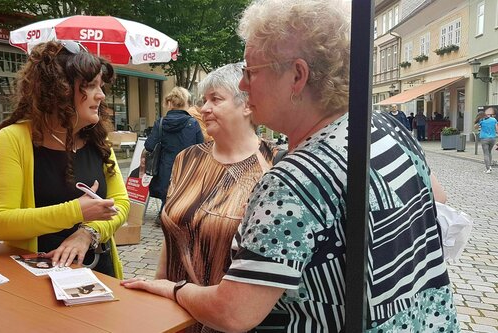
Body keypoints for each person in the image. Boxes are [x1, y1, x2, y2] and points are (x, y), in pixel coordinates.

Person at [122, 1, 458, 332]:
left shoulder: (295, 180)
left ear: (297, 75)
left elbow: (234, 312)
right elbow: (436, 199)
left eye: (251, 72)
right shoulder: (384, 127)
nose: (242, 85)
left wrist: (174, 289)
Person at [0, 40, 129, 279]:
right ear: (60, 89)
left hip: (99, 272)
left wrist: (87, 232)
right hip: (36, 277)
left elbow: (121, 204)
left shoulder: (97, 140)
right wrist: (75, 211)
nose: (101, 95)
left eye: (101, 86)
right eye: (91, 86)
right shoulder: (14, 139)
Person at [156, 63, 278, 333]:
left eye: (215, 99)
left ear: (246, 105)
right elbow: (172, 231)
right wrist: (159, 288)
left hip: (232, 320)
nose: (203, 108)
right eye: (203, 100)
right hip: (177, 313)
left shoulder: (275, 165)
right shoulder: (187, 159)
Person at [145, 87, 204, 218]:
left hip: (165, 169)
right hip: (187, 169)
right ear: (186, 103)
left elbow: (149, 146)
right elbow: (201, 148)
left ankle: (164, 212)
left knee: (167, 193)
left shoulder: (160, 123)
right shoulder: (193, 123)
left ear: (169, 103)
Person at [477, 107, 498, 173]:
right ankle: (490, 166)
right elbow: (497, 129)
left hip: (484, 139)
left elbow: (476, 127)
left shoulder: (482, 120)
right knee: (489, 152)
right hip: (493, 138)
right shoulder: (494, 119)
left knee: (486, 153)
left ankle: (488, 168)